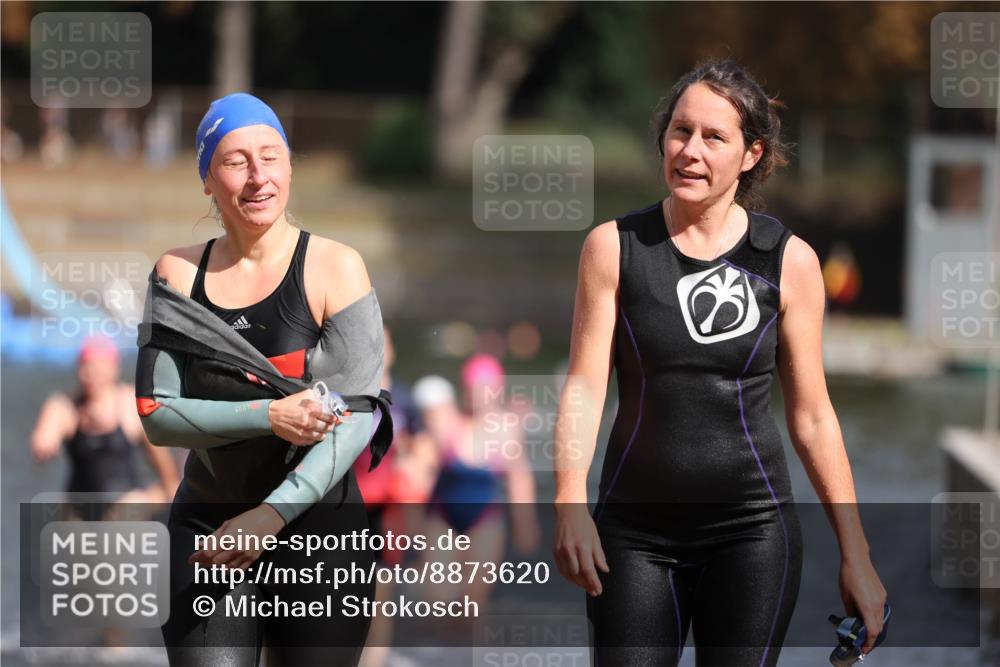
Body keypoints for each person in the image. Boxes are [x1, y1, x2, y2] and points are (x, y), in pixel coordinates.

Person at [551, 60, 888, 666]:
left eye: (714, 137)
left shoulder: (790, 262)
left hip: (753, 533)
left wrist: (855, 554)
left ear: (752, 154)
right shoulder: (614, 248)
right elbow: (583, 387)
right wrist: (569, 501)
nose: (690, 151)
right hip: (633, 533)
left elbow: (812, 416)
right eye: (681, 131)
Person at [136, 92, 391, 667]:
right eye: (235, 161)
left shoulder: (334, 267)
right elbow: (157, 413)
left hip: (320, 534)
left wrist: (268, 518)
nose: (258, 178)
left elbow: (354, 415)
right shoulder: (177, 273)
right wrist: (269, 416)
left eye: (271, 157)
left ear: (291, 167)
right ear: (206, 178)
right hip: (209, 525)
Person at [31, 334, 179, 509]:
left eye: (97, 368)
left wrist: (147, 500)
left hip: (127, 514)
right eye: (86, 366)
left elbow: (169, 479)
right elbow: (49, 425)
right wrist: (44, 439)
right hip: (82, 516)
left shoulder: (131, 405)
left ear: (114, 368)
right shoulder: (68, 405)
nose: (90, 374)